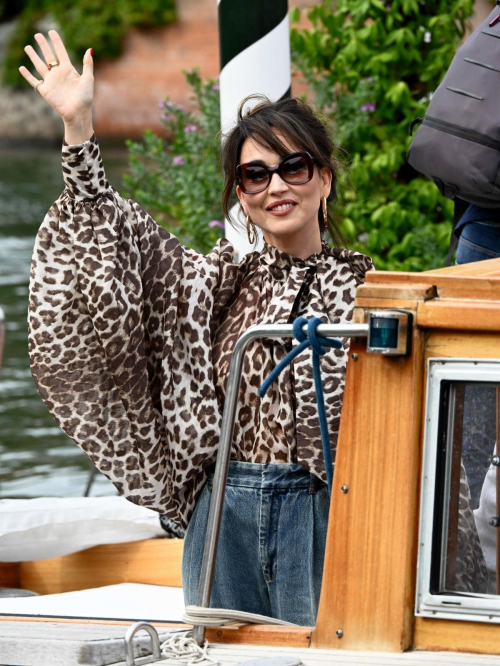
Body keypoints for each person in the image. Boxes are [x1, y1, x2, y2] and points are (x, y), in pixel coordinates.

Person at [20, 30, 376, 625]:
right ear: (240, 193)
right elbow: (113, 238)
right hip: (223, 515)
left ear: (324, 178)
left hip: (321, 517)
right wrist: (79, 130)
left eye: (293, 166)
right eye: (255, 175)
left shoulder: (367, 291)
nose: (277, 186)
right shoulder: (215, 284)